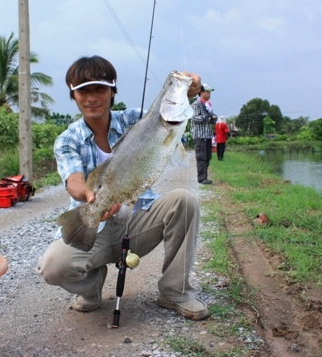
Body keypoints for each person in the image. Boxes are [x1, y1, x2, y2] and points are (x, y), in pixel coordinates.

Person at [36, 55, 211, 321]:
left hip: (138, 221)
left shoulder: (139, 120)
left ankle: (175, 292)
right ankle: (91, 287)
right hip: (98, 222)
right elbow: (74, 180)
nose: (92, 97)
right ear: (73, 95)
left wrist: (188, 91)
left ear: (113, 91)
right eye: (83, 90)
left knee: (185, 202)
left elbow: (168, 116)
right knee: (53, 266)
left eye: (99, 89)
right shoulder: (67, 139)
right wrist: (88, 196)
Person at [191, 84, 217, 184]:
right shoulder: (196, 104)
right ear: (202, 93)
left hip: (208, 134)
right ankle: (201, 178)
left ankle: (205, 176)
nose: (209, 94)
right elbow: (194, 118)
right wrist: (208, 118)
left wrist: (213, 117)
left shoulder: (208, 105)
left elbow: (212, 118)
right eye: (208, 92)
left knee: (208, 156)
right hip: (200, 135)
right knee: (201, 156)